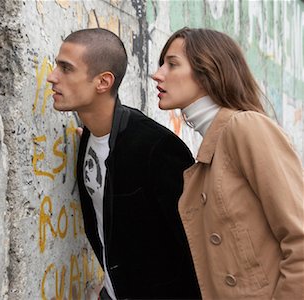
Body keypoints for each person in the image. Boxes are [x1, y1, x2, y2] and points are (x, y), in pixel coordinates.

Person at [47, 28, 201, 299]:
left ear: (103, 82)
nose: (52, 77)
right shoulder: (90, 137)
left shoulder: (157, 148)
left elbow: (195, 248)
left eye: (66, 69)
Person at [151, 27, 304, 299]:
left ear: (208, 70)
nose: (158, 74)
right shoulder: (212, 148)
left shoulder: (246, 127)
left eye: (172, 64)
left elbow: (300, 238)